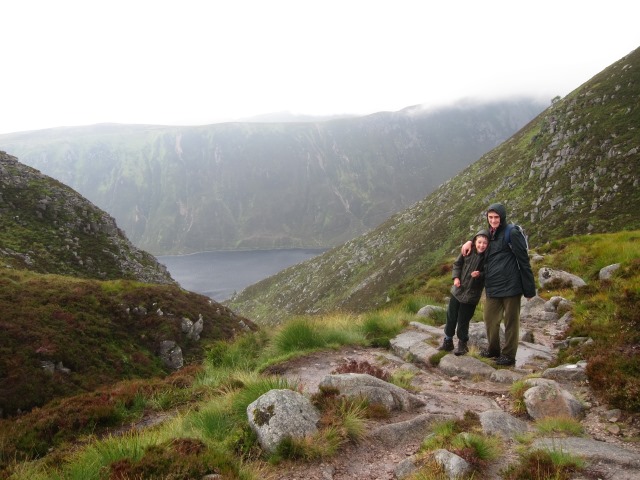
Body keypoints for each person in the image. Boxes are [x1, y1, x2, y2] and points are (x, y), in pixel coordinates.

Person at [461, 203, 536, 366]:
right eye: (490, 217)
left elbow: (524, 261)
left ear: (502, 217)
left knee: (511, 322)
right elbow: (480, 242)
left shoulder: (512, 233)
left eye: (496, 217)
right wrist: (469, 242)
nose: (493, 220)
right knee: (490, 319)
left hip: (511, 286)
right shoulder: (489, 234)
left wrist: (529, 289)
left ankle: (509, 355)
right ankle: (493, 350)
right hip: (493, 286)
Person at [438, 230, 490, 356]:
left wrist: (480, 274)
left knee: (463, 319)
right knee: (451, 316)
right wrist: (456, 278)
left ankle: (462, 344)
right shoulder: (467, 251)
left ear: (488, 245)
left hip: (472, 295)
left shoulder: (488, 258)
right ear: (474, 242)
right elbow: (457, 264)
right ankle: (448, 341)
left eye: (484, 243)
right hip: (458, 290)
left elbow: (490, 273)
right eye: (479, 242)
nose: (481, 245)